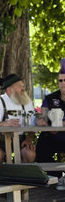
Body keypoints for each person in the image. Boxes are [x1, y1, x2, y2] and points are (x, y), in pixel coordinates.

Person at [0, 74, 36, 164]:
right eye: (19, 86)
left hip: (21, 139)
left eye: (23, 86)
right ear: (9, 90)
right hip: (0, 139)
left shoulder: (27, 102)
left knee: (29, 154)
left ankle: (23, 177)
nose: (23, 88)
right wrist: (4, 124)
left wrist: (29, 139)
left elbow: (33, 123)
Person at [35, 58, 65, 190]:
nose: (63, 83)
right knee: (41, 147)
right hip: (53, 136)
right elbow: (42, 115)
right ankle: (58, 178)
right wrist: (42, 121)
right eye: (60, 80)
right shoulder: (50, 98)